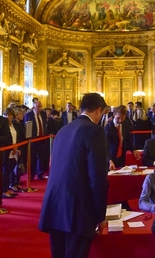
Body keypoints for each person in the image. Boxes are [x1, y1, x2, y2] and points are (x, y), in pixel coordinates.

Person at [39, 93, 109, 258]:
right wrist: (100, 215)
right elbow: (97, 178)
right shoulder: (95, 131)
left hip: (55, 204)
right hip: (78, 208)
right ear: (99, 110)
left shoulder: (64, 129)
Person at [23, 100, 49, 179]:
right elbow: (26, 127)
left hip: (42, 139)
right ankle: (31, 174)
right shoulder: (29, 115)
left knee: (41, 158)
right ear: (34, 107)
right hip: (33, 140)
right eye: (38, 107)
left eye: (41, 107)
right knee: (32, 158)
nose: (40, 108)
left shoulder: (43, 114)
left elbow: (44, 125)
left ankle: (40, 173)